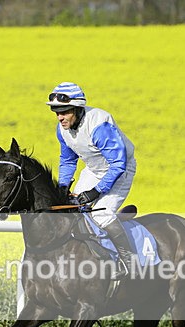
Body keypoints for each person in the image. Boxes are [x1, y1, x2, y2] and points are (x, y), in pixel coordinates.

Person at [46, 82, 137, 280]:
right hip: (94, 169)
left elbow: (118, 164)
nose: (60, 117)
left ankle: (128, 259)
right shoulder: (62, 129)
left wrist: (96, 192)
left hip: (120, 169)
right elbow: (68, 160)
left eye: (64, 112)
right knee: (72, 211)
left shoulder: (100, 126)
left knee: (101, 216)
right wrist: (63, 188)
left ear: (77, 109)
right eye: (56, 112)